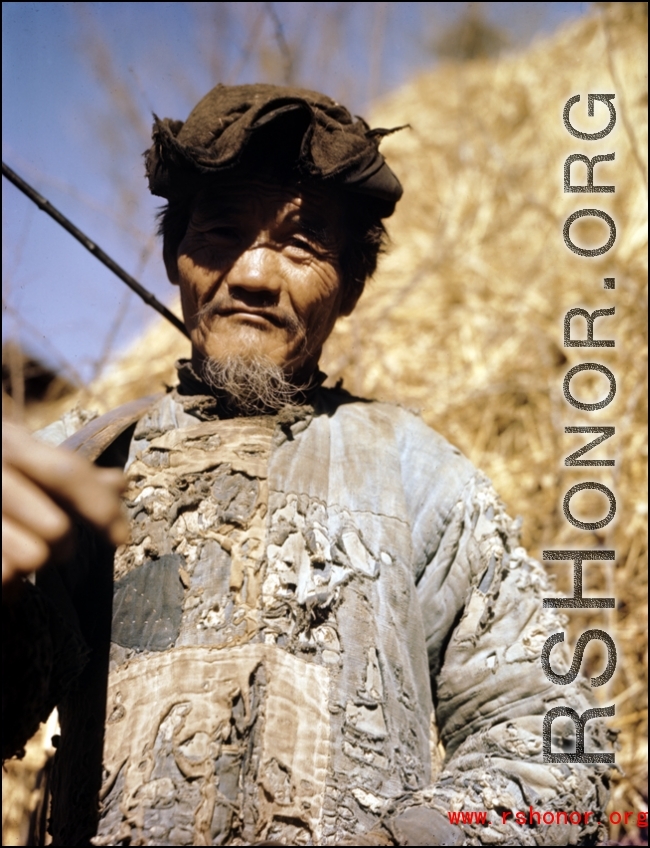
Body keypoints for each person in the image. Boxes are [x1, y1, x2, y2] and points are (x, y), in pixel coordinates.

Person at [2, 84, 612, 847]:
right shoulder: (81, 463)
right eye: (222, 231)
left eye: (301, 246)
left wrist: (414, 839)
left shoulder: (419, 475)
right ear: (174, 258)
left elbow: (555, 739)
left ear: (351, 286)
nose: (255, 274)